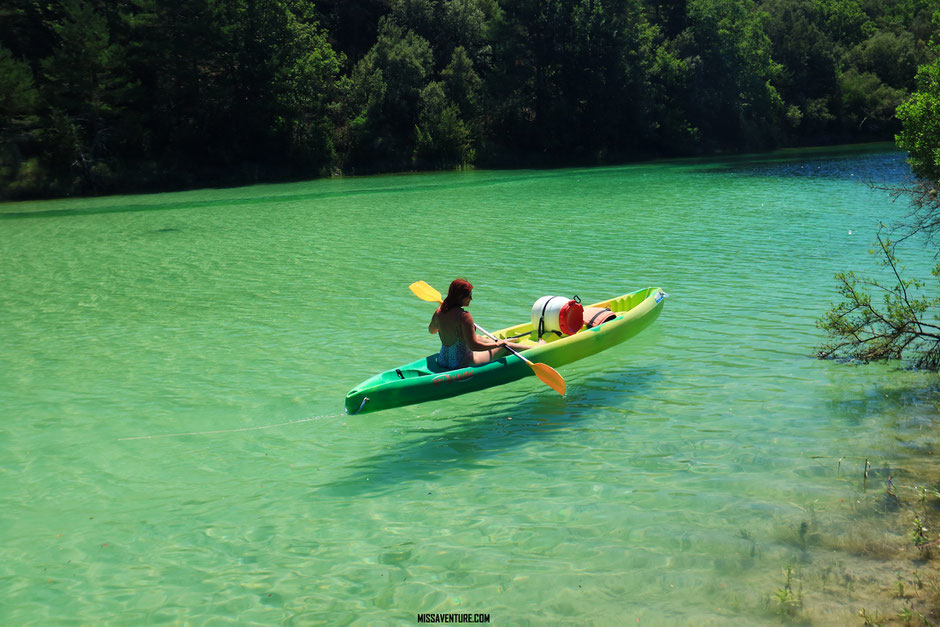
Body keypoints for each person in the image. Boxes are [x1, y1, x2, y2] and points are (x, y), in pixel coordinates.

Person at [429, 278, 531, 369]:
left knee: (478, 337)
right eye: (469, 295)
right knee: (504, 346)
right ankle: (536, 348)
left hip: (442, 361)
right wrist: (497, 344)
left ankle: (505, 341)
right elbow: (474, 346)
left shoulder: (438, 312)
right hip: (462, 363)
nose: (471, 298)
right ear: (460, 297)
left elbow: (432, 331)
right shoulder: (464, 316)